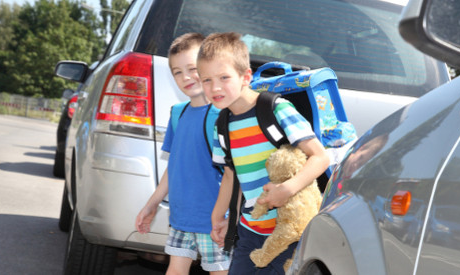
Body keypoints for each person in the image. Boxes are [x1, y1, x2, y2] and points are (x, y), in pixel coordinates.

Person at [197, 32, 330, 275]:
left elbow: (320, 156)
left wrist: (287, 189)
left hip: (288, 230)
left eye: (224, 77)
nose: (214, 87)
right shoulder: (222, 124)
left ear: (246, 76)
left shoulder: (275, 109)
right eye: (206, 80)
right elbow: (230, 176)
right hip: (250, 230)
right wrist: (220, 218)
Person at [135, 32, 231, 275]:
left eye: (192, 68)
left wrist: (230, 217)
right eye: (177, 72)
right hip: (181, 218)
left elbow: (234, 173)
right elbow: (174, 166)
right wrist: (152, 204)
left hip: (215, 221)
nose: (186, 77)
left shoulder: (223, 115)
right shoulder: (178, 114)